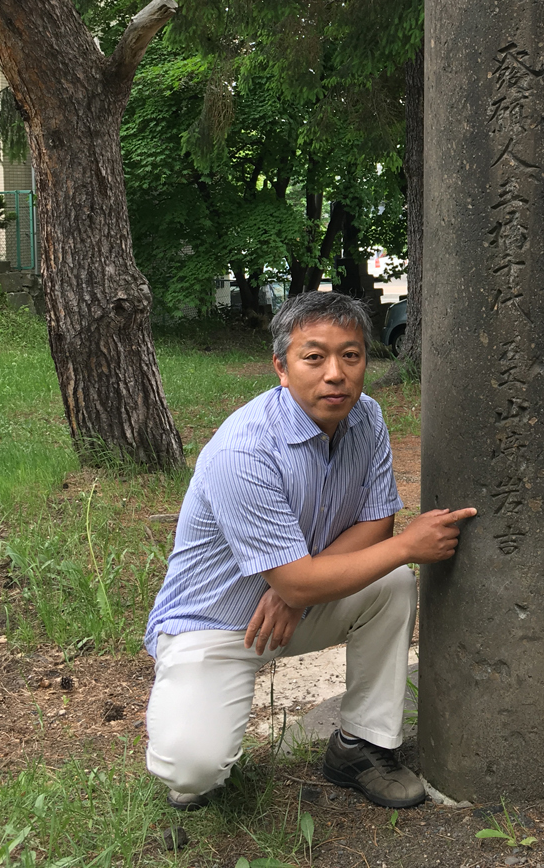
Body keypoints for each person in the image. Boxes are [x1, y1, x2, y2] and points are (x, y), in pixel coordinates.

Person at [143, 290, 476, 812]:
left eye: (351, 354)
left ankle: (360, 745)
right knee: (192, 771)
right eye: (314, 356)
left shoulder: (366, 418)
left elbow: (376, 519)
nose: (336, 373)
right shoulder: (246, 449)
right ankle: (194, 737)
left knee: (390, 584)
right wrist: (405, 548)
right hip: (213, 625)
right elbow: (319, 570)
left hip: (295, 606)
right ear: (281, 366)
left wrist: (299, 588)